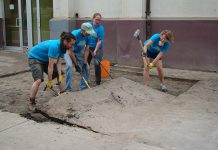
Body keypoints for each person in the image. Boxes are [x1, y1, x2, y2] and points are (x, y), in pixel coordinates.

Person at [28, 32, 76, 110]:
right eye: (71, 44)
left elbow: (59, 63)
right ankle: (31, 102)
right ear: (65, 41)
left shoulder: (63, 48)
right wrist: (49, 81)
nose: (72, 46)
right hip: (34, 57)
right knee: (38, 80)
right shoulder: (55, 46)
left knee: (58, 73)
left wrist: (60, 76)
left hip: (45, 58)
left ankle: (63, 93)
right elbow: (50, 66)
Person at [64, 22, 95, 91]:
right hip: (68, 50)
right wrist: (76, 65)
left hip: (79, 52)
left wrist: (85, 61)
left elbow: (87, 49)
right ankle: (68, 89)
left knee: (86, 67)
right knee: (69, 66)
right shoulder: (75, 35)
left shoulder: (89, 36)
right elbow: (71, 52)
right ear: (82, 30)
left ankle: (83, 88)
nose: (89, 34)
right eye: (87, 32)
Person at [87, 13, 105, 85]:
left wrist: (95, 51)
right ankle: (86, 80)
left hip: (98, 48)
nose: (98, 21)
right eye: (96, 19)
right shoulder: (88, 25)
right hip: (88, 46)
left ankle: (98, 82)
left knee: (97, 63)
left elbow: (99, 41)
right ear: (93, 18)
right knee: (86, 63)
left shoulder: (101, 28)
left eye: (99, 20)